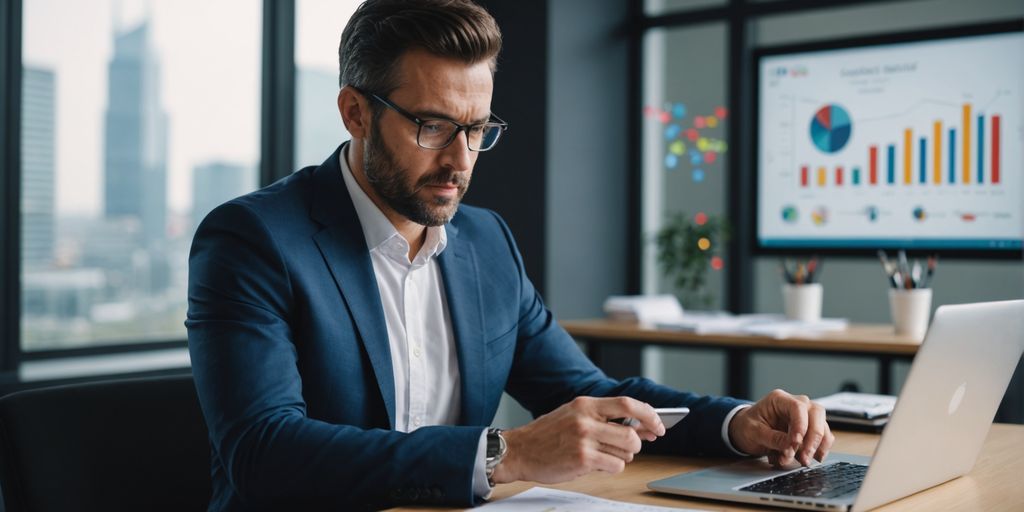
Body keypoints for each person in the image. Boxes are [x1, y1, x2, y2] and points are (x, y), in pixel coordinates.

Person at [186, 0, 833, 510]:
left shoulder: (486, 242)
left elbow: (589, 392)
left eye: (477, 129)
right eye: (432, 126)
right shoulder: (252, 240)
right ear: (355, 113)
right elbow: (263, 451)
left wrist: (738, 424)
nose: (460, 160)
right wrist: (503, 454)